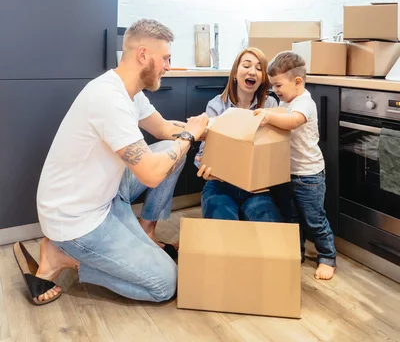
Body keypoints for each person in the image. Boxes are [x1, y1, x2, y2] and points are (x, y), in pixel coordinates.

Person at [13, 19, 208, 305]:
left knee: (171, 148)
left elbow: (164, 129)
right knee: (165, 284)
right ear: (143, 55)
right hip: (77, 220)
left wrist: (205, 129)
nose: (168, 66)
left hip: (106, 195)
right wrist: (190, 137)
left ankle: (145, 231)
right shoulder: (109, 98)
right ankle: (63, 256)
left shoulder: (130, 92)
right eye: (165, 58)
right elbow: (152, 175)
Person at [255, 51, 336, 280]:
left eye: (278, 85)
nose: (275, 91)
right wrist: (268, 112)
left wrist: (268, 117)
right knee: (290, 217)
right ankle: (295, 252)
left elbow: (292, 122)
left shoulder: (304, 103)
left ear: (297, 82)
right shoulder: (286, 101)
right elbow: (280, 114)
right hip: (287, 173)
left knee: (314, 219)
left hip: (308, 176)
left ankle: (327, 257)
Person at [195, 47, 285, 223]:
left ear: (263, 78)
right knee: (223, 232)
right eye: (246, 65)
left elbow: (275, 150)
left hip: (257, 188)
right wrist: (203, 165)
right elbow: (204, 152)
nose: (252, 71)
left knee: (270, 233)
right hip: (220, 186)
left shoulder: (270, 104)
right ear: (235, 73)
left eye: (259, 68)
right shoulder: (216, 106)